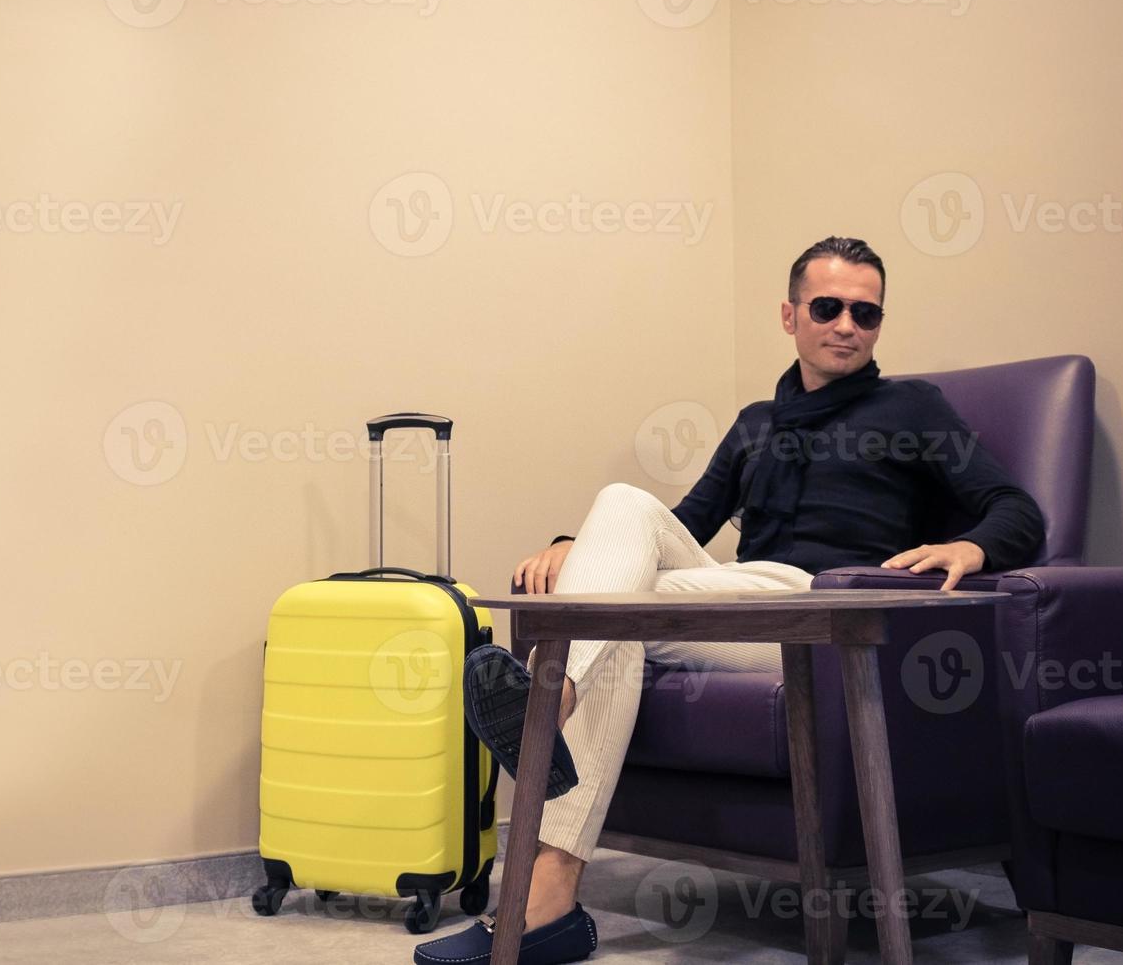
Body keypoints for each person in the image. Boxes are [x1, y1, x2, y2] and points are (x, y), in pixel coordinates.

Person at [413, 236, 1045, 965]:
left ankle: (547, 719)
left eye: (867, 314)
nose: (848, 325)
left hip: (816, 608)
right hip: (735, 601)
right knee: (619, 528)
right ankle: (548, 892)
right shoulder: (756, 424)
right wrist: (575, 548)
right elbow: (680, 526)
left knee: (606, 606)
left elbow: (1016, 508)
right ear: (790, 315)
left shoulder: (912, 407)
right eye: (829, 307)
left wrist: (972, 547)